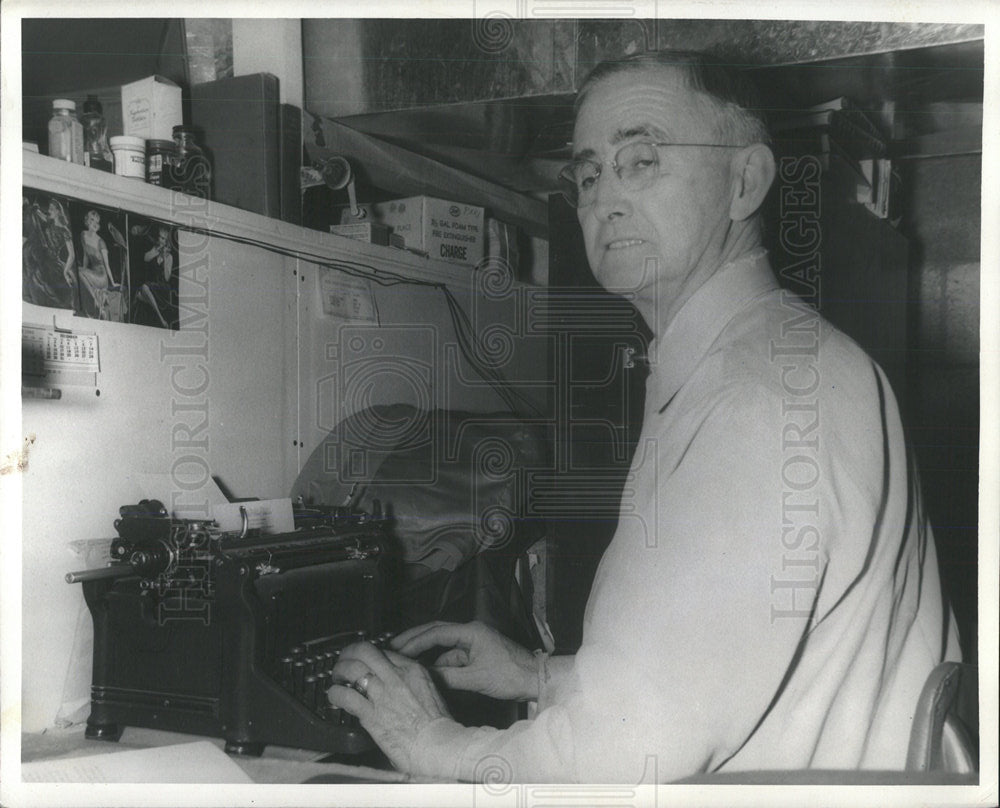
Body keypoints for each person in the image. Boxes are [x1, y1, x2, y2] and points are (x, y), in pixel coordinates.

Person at [326, 50, 961, 783]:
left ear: (744, 181)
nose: (605, 198)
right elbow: (717, 666)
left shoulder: (756, 402)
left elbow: (629, 757)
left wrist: (433, 743)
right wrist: (541, 675)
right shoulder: (764, 359)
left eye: (643, 160)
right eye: (590, 172)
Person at [77, 208, 122, 320]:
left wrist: (112, 282)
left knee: (79, 271)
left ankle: (97, 303)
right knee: (79, 271)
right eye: (91, 220)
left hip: (102, 277)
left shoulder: (101, 242)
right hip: (92, 273)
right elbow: (86, 256)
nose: (93, 223)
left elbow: (107, 265)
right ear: (87, 221)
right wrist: (84, 269)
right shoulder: (83, 235)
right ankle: (95, 303)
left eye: (96, 221)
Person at [136, 225, 177, 328]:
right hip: (153, 285)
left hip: (162, 288)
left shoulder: (169, 257)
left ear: (167, 241)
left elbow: (167, 278)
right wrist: (156, 251)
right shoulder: (155, 249)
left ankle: (161, 319)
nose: (160, 239)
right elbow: (145, 258)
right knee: (142, 291)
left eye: (163, 238)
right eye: (159, 237)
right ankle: (148, 300)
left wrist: (164, 257)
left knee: (143, 289)